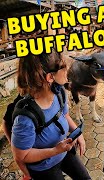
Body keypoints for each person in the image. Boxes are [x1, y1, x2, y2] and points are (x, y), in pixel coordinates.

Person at [11, 50, 91, 180]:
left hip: (64, 152)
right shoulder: (25, 118)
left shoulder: (60, 94)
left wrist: (78, 132)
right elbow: (21, 156)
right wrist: (55, 151)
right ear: (50, 77)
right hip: (44, 166)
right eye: (63, 66)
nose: (68, 69)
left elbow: (65, 116)